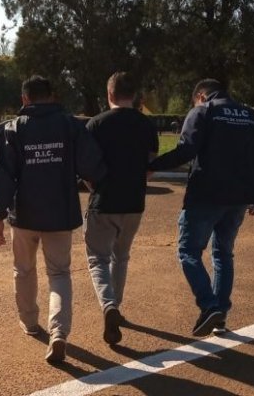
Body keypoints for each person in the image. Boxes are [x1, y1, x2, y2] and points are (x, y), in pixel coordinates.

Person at [0, 75, 105, 363]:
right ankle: (59, 333)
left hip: (24, 216)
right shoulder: (69, 125)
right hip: (60, 215)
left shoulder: (13, 129)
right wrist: (97, 181)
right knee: (59, 274)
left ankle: (29, 322)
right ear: (51, 97)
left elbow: (4, 175)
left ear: (24, 99)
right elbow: (91, 164)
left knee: (24, 270)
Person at [148, 78, 254, 337]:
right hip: (240, 197)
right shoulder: (250, 115)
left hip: (206, 195)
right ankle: (220, 315)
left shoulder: (203, 111)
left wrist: (152, 166)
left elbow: (186, 150)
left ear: (201, 96)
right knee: (223, 254)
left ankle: (209, 305)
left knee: (188, 251)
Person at [84, 72, 158, 345]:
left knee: (98, 259)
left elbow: (86, 165)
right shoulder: (147, 125)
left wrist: (94, 186)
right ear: (134, 95)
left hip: (104, 201)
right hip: (134, 203)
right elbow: (152, 166)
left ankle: (108, 305)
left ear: (110, 94)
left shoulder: (95, 124)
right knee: (121, 257)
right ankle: (116, 304)